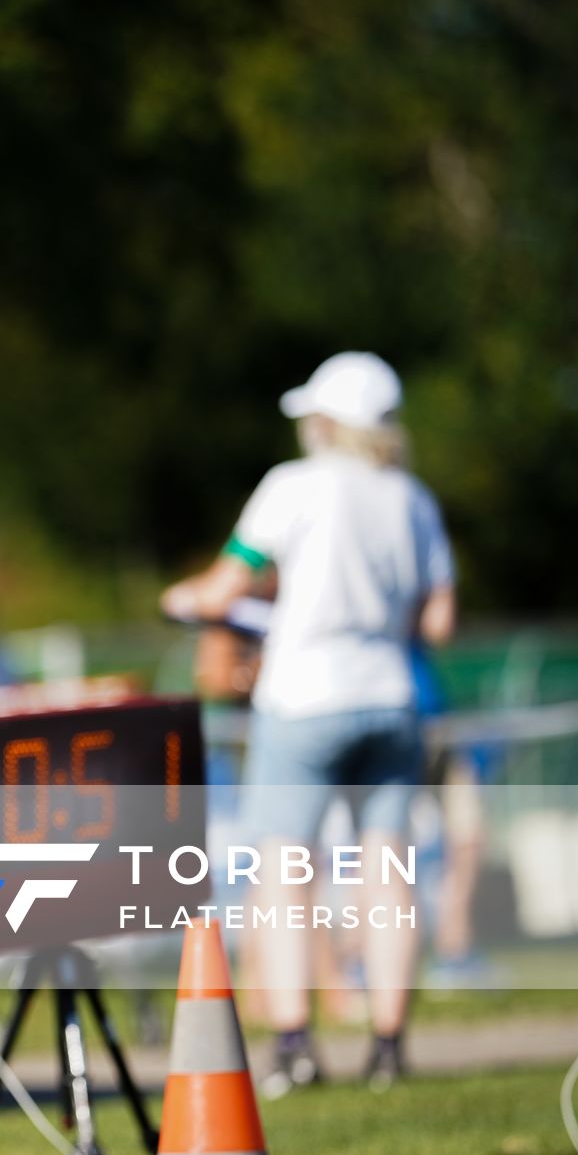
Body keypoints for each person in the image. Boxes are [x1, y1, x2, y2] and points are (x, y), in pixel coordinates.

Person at [161, 352, 455, 1094]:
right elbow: (439, 620)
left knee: (285, 876)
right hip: (392, 697)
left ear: (326, 422)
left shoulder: (292, 486)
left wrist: (186, 599)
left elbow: (225, 586)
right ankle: (389, 1048)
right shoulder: (411, 498)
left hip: (304, 701)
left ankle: (295, 1044)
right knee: (386, 873)